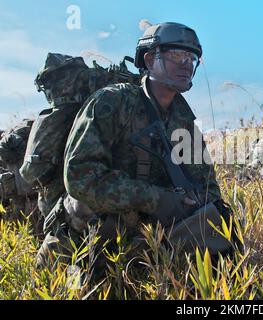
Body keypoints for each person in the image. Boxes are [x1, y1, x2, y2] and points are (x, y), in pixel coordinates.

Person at [37, 22, 232, 268]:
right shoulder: (112, 103)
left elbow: (207, 187)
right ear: (150, 60)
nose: (186, 63)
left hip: (139, 251)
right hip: (78, 248)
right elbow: (80, 179)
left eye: (191, 58)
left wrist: (202, 211)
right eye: (176, 55)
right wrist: (157, 200)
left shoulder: (183, 118)